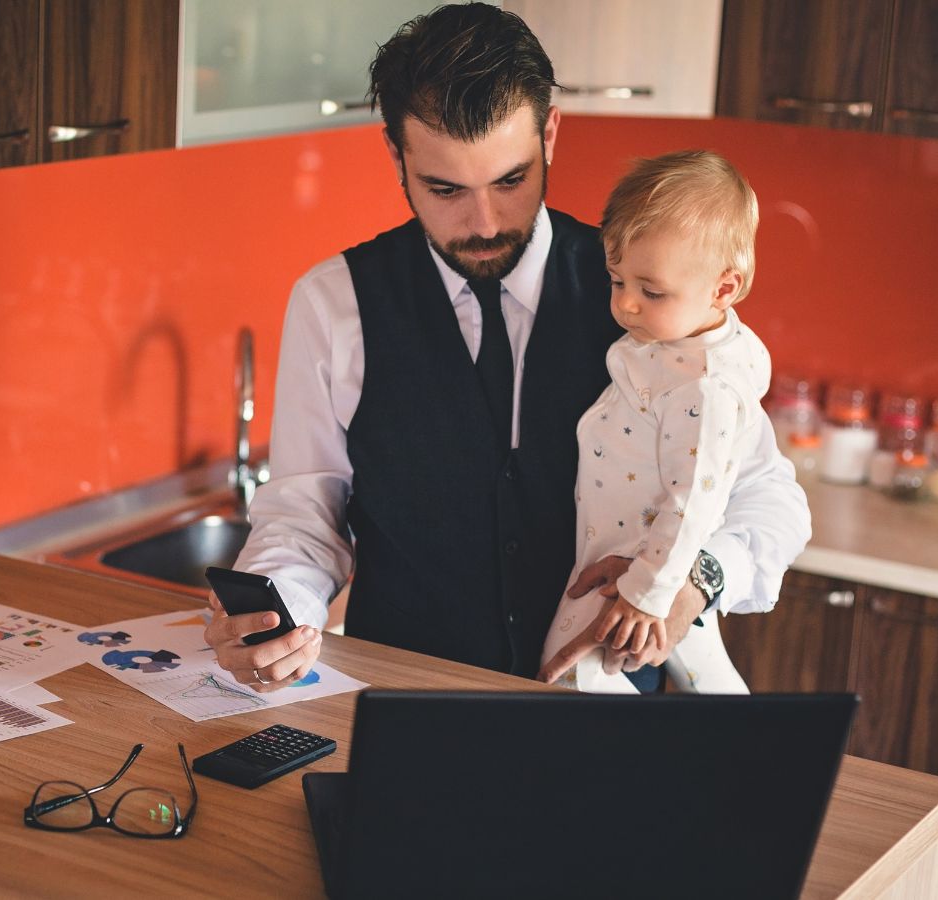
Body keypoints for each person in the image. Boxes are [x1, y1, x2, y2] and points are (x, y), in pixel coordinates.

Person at [204, 3, 809, 692]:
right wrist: (275, 609)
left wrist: (695, 583)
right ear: (395, 153)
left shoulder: (649, 295)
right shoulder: (333, 303)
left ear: (550, 134)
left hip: (603, 723)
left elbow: (768, 497)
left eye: (510, 181)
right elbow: (303, 518)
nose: (484, 222)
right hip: (402, 714)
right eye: (445, 189)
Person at [537, 150, 778, 695]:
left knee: (568, 671)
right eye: (616, 280)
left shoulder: (705, 386)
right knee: (705, 675)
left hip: (641, 569)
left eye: (651, 291)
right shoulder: (675, 343)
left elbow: (696, 498)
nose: (625, 306)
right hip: (645, 561)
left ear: (723, 289)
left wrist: (647, 593)